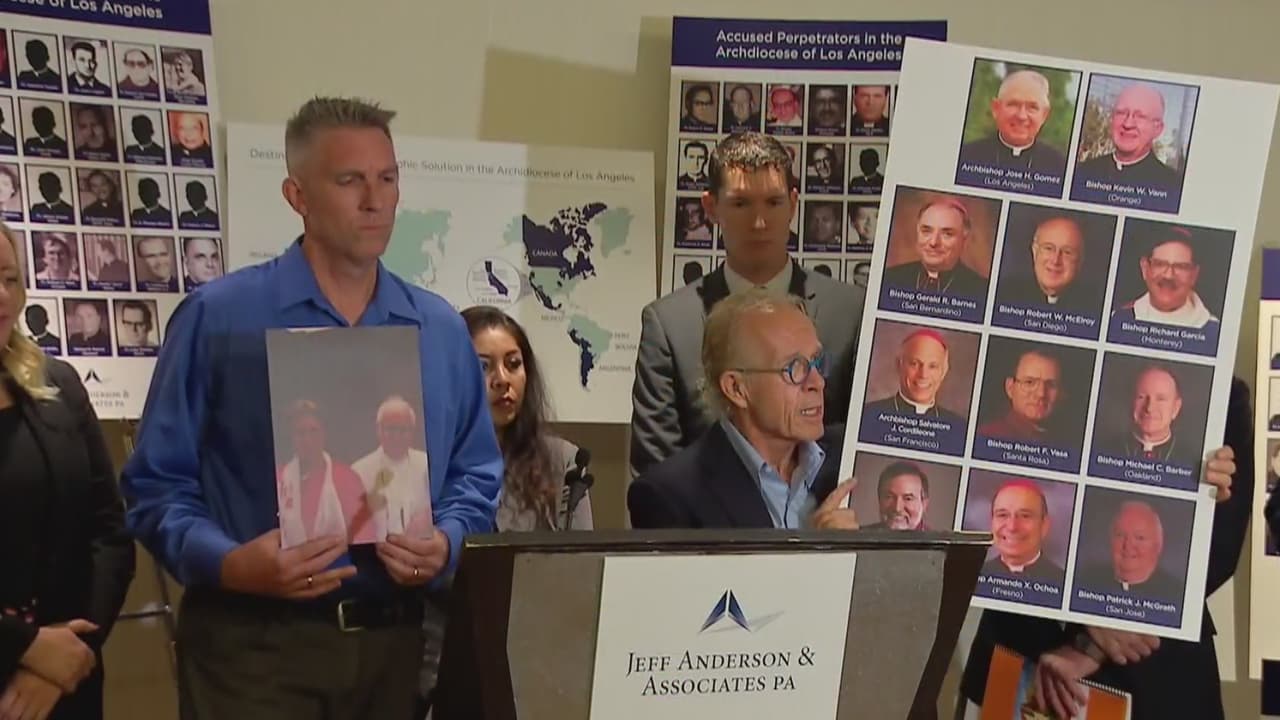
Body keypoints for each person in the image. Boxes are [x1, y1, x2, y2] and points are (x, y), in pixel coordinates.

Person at [120, 96, 503, 719]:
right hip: (254, 649)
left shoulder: (437, 329)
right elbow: (155, 485)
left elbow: (475, 475)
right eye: (350, 181)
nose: (375, 200)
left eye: (387, 178)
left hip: (394, 649)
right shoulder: (220, 319)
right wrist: (230, 563)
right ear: (297, 195)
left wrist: (447, 542)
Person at [960, 379, 1248, 720]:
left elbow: (1220, 551)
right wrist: (1079, 610)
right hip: (1027, 643)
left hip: (1157, 671)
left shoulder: (1223, 390)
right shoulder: (1055, 375)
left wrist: (1104, 630)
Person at [629, 132, 864, 479]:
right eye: (741, 204)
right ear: (711, 207)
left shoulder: (850, 313)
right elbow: (654, 477)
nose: (759, 222)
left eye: (773, 202)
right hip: (705, 513)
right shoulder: (670, 327)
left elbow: (864, 450)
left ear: (793, 204)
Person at [0, 222, 135, 719]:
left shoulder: (57, 384)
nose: (2, 296)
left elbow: (109, 533)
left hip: (67, 681)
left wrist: (68, 656)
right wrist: (26, 648)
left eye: (9, 279)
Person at [629, 288, 858, 530]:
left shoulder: (856, 454)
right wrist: (821, 550)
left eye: (817, 361)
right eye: (794, 367)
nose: (817, 382)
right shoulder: (669, 497)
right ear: (736, 389)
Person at [277, 400, 374, 547]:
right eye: (300, 433)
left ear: (324, 434)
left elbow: (364, 532)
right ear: (292, 437)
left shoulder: (346, 478)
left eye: (313, 431)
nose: (307, 440)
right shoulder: (280, 479)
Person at [350, 396, 435, 539]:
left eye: (403, 430)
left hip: (421, 548)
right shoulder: (359, 472)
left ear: (412, 431)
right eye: (390, 429)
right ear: (378, 430)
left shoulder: (427, 465)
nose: (396, 436)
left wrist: (428, 517)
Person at [1076, 83, 1179, 191]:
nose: (1128, 124)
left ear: (1157, 129)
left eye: (1140, 116)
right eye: (1121, 113)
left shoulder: (1173, 186)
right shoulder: (1082, 172)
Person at [958, 70, 1066, 172]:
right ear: (996, 108)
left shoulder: (1060, 165)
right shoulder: (965, 156)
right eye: (1013, 105)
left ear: (1044, 115)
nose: (1021, 116)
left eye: (1032, 107)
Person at [1112, 229, 1218, 330]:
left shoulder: (1213, 330)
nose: (1168, 275)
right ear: (1145, 268)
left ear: (1194, 274)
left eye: (1181, 266)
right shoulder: (1118, 319)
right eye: (1160, 264)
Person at [1075, 501, 1180, 602]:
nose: (1128, 546)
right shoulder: (1086, 582)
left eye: (1140, 538)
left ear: (1158, 544)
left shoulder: (1176, 593)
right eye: (1120, 535)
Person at [883, 197, 987, 297]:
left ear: (964, 240)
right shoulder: (889, 278)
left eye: (947, 234)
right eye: (926, 231)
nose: (933, 242)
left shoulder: (982, 290)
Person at [1099, 365, 1197, 465]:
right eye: (1141, 397)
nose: (1149, 408)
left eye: (1160, 399)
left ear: (1176, 407)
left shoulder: (1193, 460)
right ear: (1131, 401)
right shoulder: (1103, 450)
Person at [864, 329, 965, 423]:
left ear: (944, 371)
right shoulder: (867, 416)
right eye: (914, 363)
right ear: (899, 365)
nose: (923, 375)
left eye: (933, 366)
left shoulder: (958, 425)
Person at [998, 216, 1094, 312]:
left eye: (1067, 252)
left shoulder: (1094, 304)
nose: (1056, 260)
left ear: (1080, 260)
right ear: (1035, 251)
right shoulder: (1003, 294)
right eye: (1048, 248)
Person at [979, 480, 1063, 581]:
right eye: (1002, 515)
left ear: (1044, 525)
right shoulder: (974, 574)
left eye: (1025, 516)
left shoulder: (1063, 581)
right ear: (992, 522)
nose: (1012, 527)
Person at [977, 349, 1065, 444]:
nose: (1041, 394)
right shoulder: (989, 436)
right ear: (1010, 388)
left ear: (1061, 393)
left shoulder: (1062, 441)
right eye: (1029, 382)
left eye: (1051, 385)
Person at [863, 461, 931, 530]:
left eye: (908, 499)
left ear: (924, 504)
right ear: (879, 500)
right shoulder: (862, 534)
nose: (897, 508)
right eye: (889, 497)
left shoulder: (935, 537)